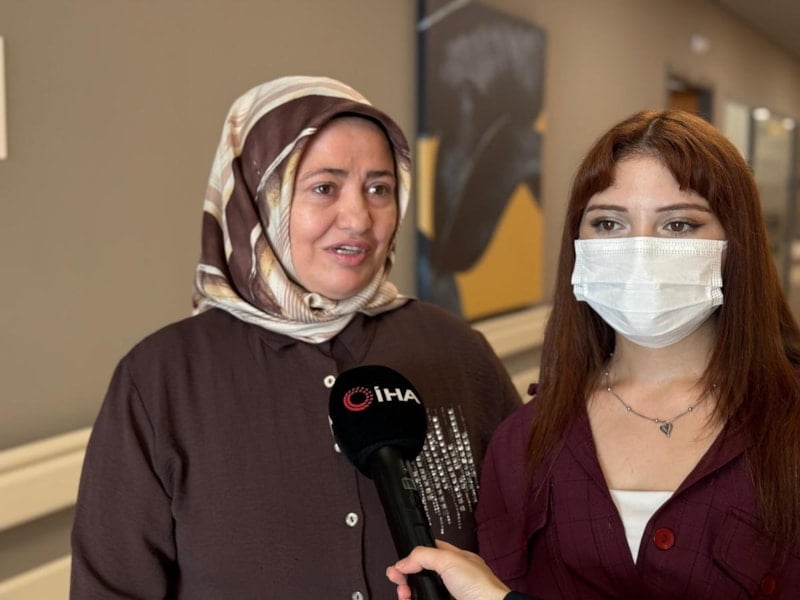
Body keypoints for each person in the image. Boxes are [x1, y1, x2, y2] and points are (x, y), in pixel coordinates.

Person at [70, 75, 521, 599]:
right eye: (324, 188)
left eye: (379, 188)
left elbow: (532, 545)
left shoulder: (457, 350)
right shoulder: (161, 379)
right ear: (258, 198)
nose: (359, 218)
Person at [387, 109, 800, 599]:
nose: (641, 252)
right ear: (578, 244)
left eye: (679, 225)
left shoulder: (787, 422)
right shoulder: (524, 443)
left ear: (736, 243)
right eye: (608, 222)